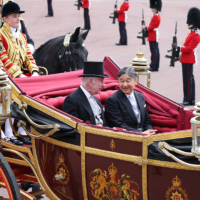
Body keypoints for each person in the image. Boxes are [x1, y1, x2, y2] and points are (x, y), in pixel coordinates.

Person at [0, 1, 39, 145]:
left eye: (18, 16)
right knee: (10, 92)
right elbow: (3, 58)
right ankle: (9, 132)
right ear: (5, 19)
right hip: (5, 74)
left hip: (21, 75)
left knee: (34, 90)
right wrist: (19, 75)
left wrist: (34, 71)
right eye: (14, 16)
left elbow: (28, 57)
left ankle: (22, 129)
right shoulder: (0, 35)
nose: (18, 19)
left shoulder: (22, 36)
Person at [105, 67, 156, 134]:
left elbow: (147, 120)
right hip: (128, 137)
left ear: (136, 81)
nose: (125, 84)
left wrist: (150, 131)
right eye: (122, 81)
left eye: (128, 81)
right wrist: (140, 134)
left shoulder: (139, 96)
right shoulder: (112, 100)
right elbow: (118, 124)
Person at [62, 61, 108, 126]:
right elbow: (73, 127)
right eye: (101, 81)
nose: (104, 85)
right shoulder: (72, 100)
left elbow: (105, 124)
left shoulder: (96, 100)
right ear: (90, 82)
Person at [172, 8, 200, 106]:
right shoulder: (191, 33)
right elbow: (186, 47)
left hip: (188, 60)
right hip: (185, 59)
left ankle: (187, 99)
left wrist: (178, 48)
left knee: (187, 80)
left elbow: (188, 49)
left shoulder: (196, 35)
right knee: (189, 79)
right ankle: (191, 99)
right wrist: (179, 57)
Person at [142, 0, 162, 71]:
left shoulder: (156, 17)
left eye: (152, 7)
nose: (152, 8)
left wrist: (145, 28)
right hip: (153, 35)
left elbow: (152, 27)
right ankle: (155, 66)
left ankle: (153, 66)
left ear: (155, 8)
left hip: (153, 36)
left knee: (154, 52)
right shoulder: (156, 15)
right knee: (155, 51)